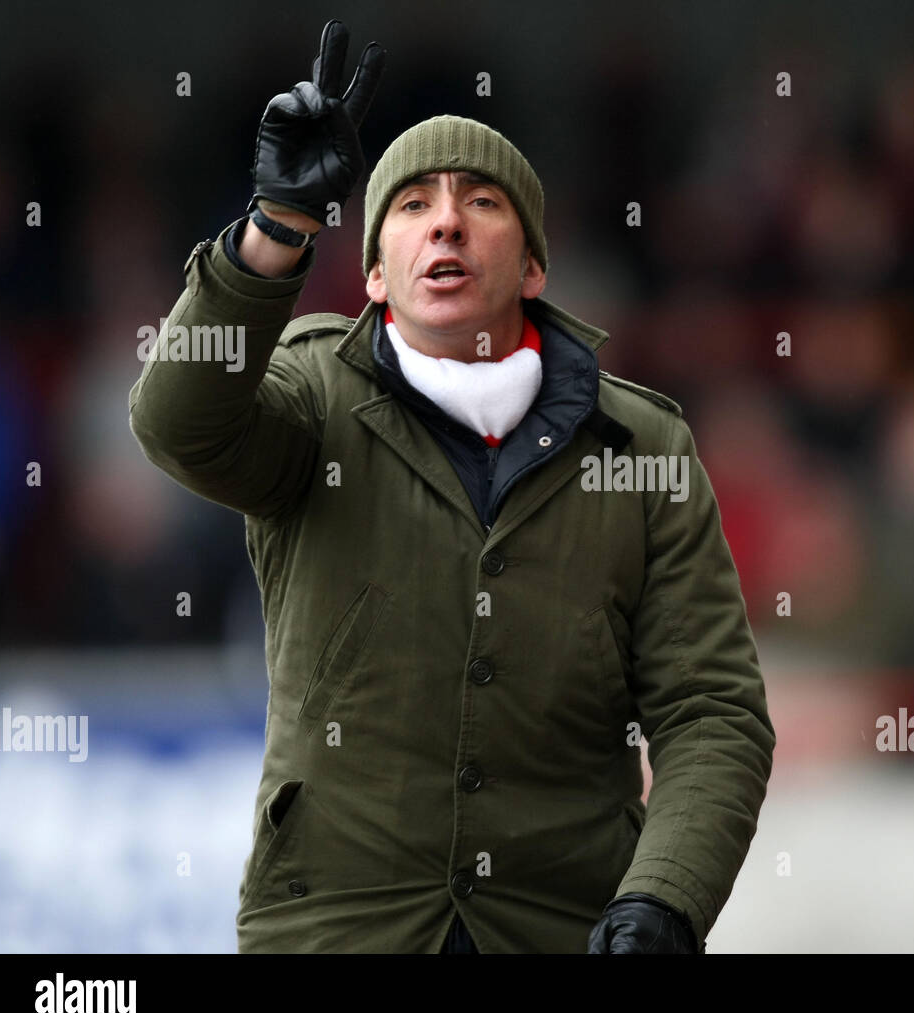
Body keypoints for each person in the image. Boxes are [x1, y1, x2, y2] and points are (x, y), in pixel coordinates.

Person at [128, 20, 775, 954]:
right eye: (413, 205)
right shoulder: (311, 395)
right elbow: (175, 422)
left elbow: (711, 712)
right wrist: (276, 228)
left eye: (482, 201)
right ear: (378, 273)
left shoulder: (644, 443)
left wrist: (663, 901)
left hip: (564, 928)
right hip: (334, 930)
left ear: (535, 266)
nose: (446, 220)